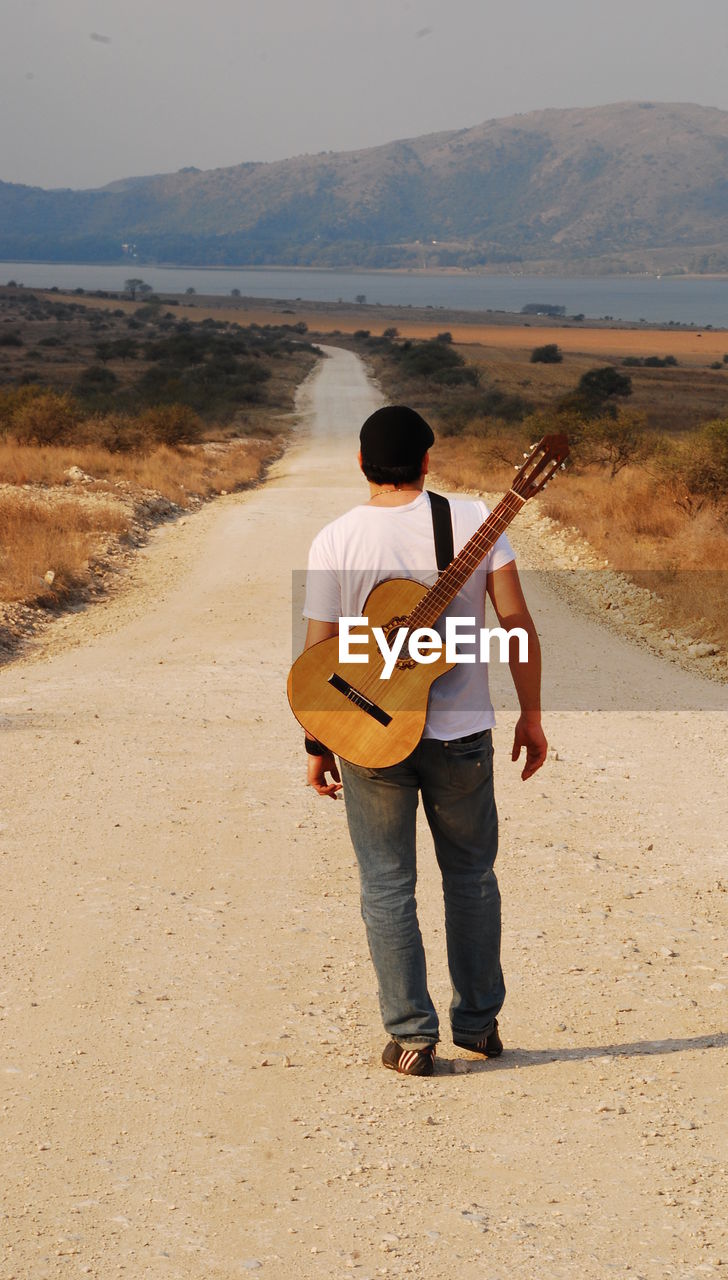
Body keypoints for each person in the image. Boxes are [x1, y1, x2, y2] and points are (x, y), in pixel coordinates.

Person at [300, 404, 547, 1076]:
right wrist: (530, 712)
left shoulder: (334, 538)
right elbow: (517, 623)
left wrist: (316, 741)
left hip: (365, 734)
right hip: (461, 732)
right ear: (427, 461)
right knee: (470, 879)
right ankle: (478, 1027)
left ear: (360, 464)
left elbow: (319, 653)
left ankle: (411, 1038)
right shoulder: (474, 521)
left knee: (386, 885)